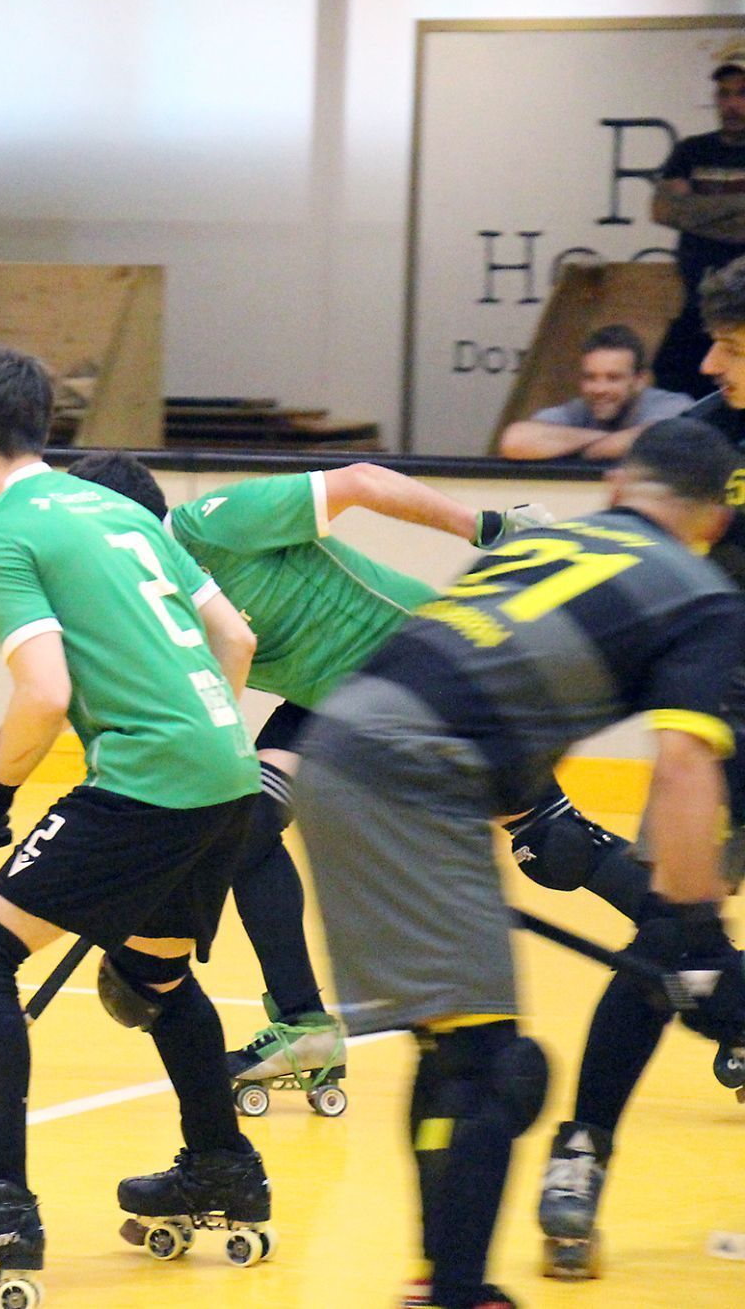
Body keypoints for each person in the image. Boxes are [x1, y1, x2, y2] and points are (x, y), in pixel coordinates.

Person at [293, 419, 745, 1309]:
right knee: (493, 1071)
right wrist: (694, 932)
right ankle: (457, 1293)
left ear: (618, 486)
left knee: (456, 1049)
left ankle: (441, 1279)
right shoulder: (701, 595)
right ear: (715, 521)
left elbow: (465, 668)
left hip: (336, 752)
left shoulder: (547, 544)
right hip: (421, 777)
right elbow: (686, 764)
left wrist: (527, 811)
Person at [0, 348, 272, 1286]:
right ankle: (222, 1165)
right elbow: (235, 636)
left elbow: (45, 693)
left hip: (151, 784)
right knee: (151, 974)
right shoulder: (117, 509)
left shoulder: (1, 534)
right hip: (229, 770)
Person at [65, 452, 594, 1102]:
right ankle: (304, 1027)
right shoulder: (155, 592)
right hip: (334, 705)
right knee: (247, 829)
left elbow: (361, 481)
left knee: (558, 847)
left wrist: (485, 525)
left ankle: (690, 942)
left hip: (419, 669)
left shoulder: (214, 525)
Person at [530, 258, 745, 1282]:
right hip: (717, 722)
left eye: (731, 346)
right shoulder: (701, 442)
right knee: (666, 939)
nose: (710, 365)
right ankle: (581, 1151)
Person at [649, 58, 745, 396]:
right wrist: (738, 207)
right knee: (669, 381)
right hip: (697, 307)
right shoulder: (691, 150)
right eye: (724, 94)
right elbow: (662, 210)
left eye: (742, 94)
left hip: (742, 313)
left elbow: (681, 211)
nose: (732, 104)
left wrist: (696, 212)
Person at [497, 325, 693, 461]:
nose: (599, 389)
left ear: (641, 380)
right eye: (590, 377)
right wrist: (610, 442)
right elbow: (515, 441)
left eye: (613, 378)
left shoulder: (672, 405)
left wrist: (569, 447)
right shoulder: (578, 410)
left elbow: (660, 441)